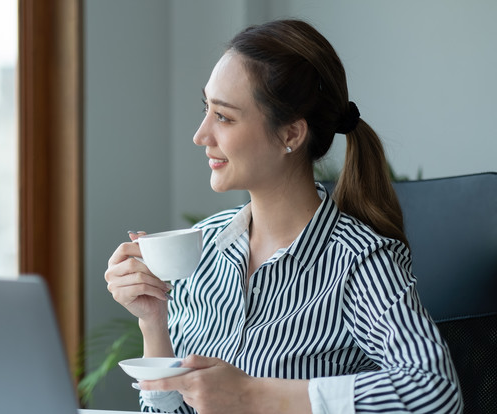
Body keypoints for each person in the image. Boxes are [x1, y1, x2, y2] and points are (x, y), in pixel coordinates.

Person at [104, 19, 462, 414]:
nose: (200, 135)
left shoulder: (358, 261)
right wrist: (153, 321)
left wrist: (252, 395)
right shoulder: (200, 246)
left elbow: (436, 392)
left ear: (291, 135)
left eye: (224, 116)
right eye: (206, 108)